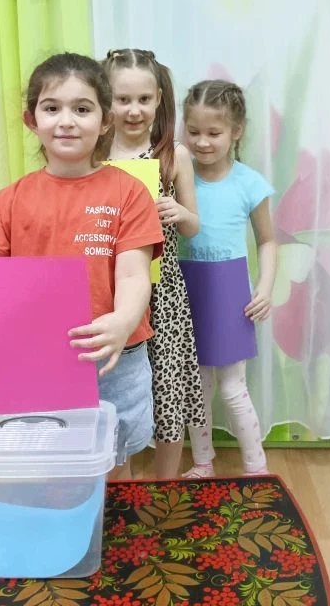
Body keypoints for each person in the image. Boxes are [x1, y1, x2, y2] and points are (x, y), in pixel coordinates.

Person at [0, 52, 164, 479]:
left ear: (105, 121)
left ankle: (111, 522)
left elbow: (134, 274)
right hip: (38, 359)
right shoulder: (12, 199)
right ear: (32, 120)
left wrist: (122, 322)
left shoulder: (129, 192)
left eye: (82, 109)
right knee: (49, 464)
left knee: (116, 463)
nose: (66, 121)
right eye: (52, 108)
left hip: (114, 359)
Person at [103, 48, 205, 479]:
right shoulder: (94, 153)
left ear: (159, 99)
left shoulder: (173, 155)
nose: (134, 110)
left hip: (163, 295)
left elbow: (194, 225)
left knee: (168, 391)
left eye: (144, 99)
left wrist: (179, 213)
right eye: (122, 99)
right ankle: (121, 485)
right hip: (110, 292)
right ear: (105, 99)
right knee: (115, 394)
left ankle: (166, 487)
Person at [179, 79, 277, 477]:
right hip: (186, 288)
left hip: (230, 291)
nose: (202, 142)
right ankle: (203, 463)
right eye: (194, 131)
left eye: (213, 133)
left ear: (236, 131)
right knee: (196, 388)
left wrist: (264, 288)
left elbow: (268, 241)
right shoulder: (178, 178)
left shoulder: (249, 183)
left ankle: (257, 468)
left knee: (233, 388)